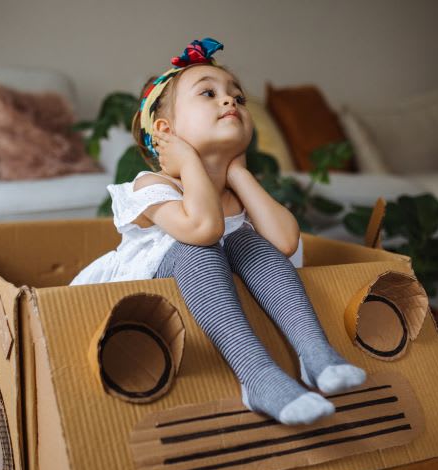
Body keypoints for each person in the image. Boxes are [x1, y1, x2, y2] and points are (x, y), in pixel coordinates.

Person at [70, 37, 366, 425]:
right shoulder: (151, 186)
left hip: (214, 260)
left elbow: (284, 242)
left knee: (248, 240)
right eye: (208, 93)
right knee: (201, 247)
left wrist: (240, 174)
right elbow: (202, 229)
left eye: (238, 98)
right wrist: (189, 161)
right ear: (166, 131)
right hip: (151, 284)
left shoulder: (235, 188)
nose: (230, 102)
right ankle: (257, 376)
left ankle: (315, 353)